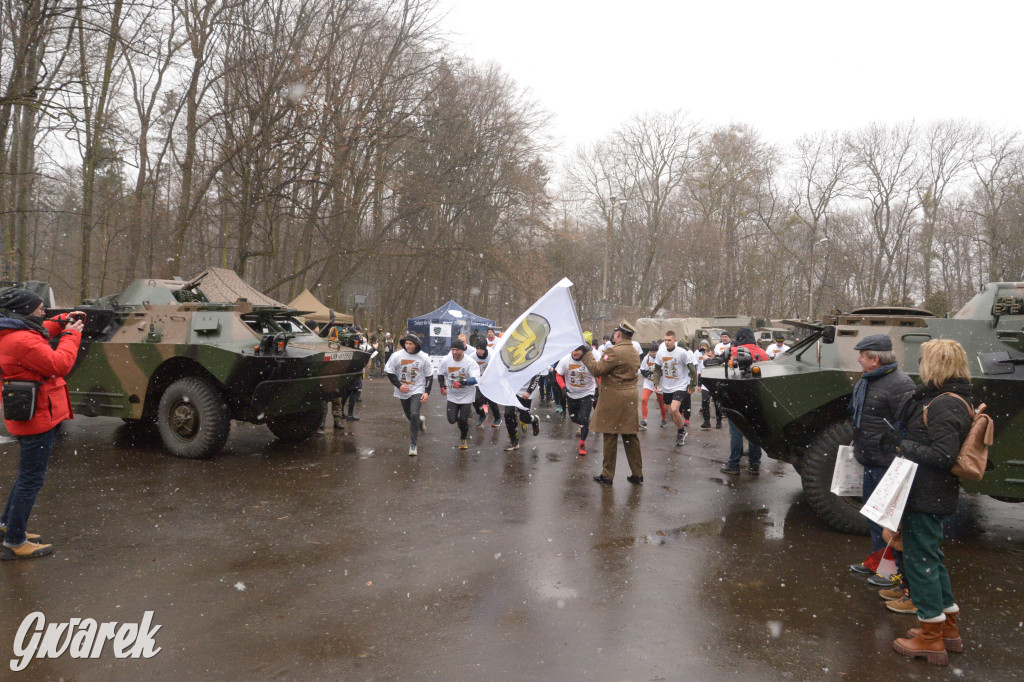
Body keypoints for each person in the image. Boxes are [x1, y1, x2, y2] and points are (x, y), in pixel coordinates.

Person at [890, 339, 973, 666]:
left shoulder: (943, 404)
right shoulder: (951, 398)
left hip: (926, 493)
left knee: (920, 561)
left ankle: (930, 637)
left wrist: (903, 444)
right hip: (931, 492)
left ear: (935, 365)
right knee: (932, 558)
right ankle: (945, 627)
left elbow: (942, 455)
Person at [0, 288, 84, 560]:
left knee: (26, 476)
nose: (43, 310)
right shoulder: (22, 340)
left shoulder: (12, 331)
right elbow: (60, 364)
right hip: (38, 417)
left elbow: (40, 331)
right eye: (38, 307)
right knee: (31, 480)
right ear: (24, 310)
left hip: (29, 412)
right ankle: (15, 541)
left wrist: (62, 321)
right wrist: (71, 334)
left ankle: (7, 526)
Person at [844, 334, 916, 591]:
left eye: (862, 355)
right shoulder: (868, 381)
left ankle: (891, 571)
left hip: (887, 462)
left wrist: (891, 445)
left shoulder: (900, 384)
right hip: (870, 457)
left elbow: (908, 424)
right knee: (874, 515)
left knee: (889, 521)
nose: (859, 359)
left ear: (875, 360)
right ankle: (878, 562)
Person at [582, 321, 643, 485]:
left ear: (618, 335)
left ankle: (607, 474)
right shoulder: (633, 350)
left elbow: (597, 370)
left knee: (610, 434)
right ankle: (637, 473)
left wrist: (587, 353)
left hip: (615, 397)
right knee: (630, 435)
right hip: (630, 396)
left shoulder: (614, 351)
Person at [720, 327, 770, 475]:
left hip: (737, 398)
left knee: (736, 432)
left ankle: (734, 464)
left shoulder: (734, 351)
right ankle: (754, 465)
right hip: (758, 398)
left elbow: (719, 368)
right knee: (754, 432)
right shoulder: (763, 353)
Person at [384, 332, 433, 456]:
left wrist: (426, 392)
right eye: (406, 343)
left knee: (415, 413)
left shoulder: (424, 357)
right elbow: (389, 371)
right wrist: (399, 385)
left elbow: (429, 376)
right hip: (403, 390)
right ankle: (420, 422)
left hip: (418, 388)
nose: (408, 346)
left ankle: (413, 444)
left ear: (416, 345)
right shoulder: (397, 356)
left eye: (410, 344)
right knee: (410, 416)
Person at [652, 331, 697, 447]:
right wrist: (656, 383)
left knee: (673, 409)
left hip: (680, 385)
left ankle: (680, 432)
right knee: (672, 414)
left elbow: (692, 369)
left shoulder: (682, 353)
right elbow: (657, 370)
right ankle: (681, 430)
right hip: (666, 386)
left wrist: (692, 384)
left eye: (669, 340)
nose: (667, 342)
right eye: (665, 340)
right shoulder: (660, 353)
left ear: (675, 341)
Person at [436, 339, 480, 450]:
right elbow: (440, 373)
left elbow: (475, 379)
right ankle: (460, 421)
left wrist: (462, 382)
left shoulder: (470, 362)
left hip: (466, 395)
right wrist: (442, 386)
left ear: (462, 350)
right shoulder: (446, 360)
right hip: (452, 394)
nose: (455, 352)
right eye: (453, 349)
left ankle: (463, 437)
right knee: (451, 420)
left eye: (457, 350)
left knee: (464, 420)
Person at [555, 346, 598, 455]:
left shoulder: (589, 361)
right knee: (574, 418)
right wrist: (563, 387)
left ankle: (582, 443)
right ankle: (587, 423)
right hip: (572, 394)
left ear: (582, 350)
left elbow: (598, 375)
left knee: (584, 418)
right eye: (573, 350)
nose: (574, 353)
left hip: (587, 393)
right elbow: (558, 375)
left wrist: (598, 389)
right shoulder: (565, 360)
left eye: (577, 350)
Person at [503, 375, 541, 451]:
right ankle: (514, 442)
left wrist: (529, 391)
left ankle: (534, 420)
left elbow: (537, 375)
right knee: (508, 414)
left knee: (525, 418)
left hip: (525, 392)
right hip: (511, 390)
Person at [470, 339, 502, 428]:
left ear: (485, 349)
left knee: (491, 400)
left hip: (489, 380)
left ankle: (498, 418)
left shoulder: (492, 355)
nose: (479, 351)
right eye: (477, 349)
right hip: (478, 380)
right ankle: (482, 416)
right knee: (475, 399)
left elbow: (498, 368)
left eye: (481, 349)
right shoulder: (472, 356)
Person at [638, 342, 666, 430]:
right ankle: (644, 420)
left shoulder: (661, 358)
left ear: (657, 351)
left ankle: (664, 419)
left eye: (654, 352)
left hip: (659, 383)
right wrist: (648, 372)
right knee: (644, 399)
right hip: (649, 383)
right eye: (651, 352)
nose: (652, 353)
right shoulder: (647, 358)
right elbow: (642, 370)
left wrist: (656, 372)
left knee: (661, 402)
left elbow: (665, 371)